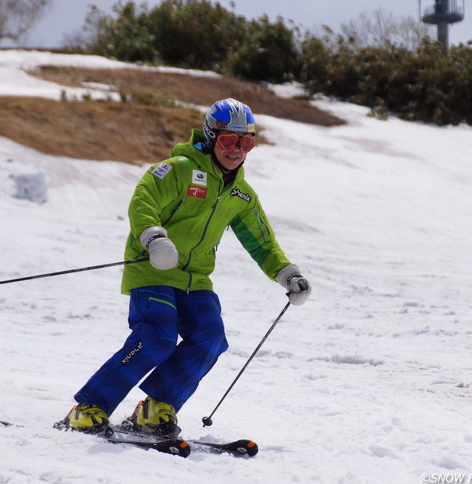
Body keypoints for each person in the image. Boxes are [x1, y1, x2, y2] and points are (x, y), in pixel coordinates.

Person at [58, 98, 310, 437]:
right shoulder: (177, 169)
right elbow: (143, 201)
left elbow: (262, 242)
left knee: (210, 338)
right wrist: (153, 239)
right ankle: (90, 407)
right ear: (210, 136)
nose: (237, 150)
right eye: (229, 141)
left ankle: (157, 406)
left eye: (246, 142)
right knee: (157, 337)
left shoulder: (242, 195)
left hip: (196, 280)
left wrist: (287, 274)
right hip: (153, 270)